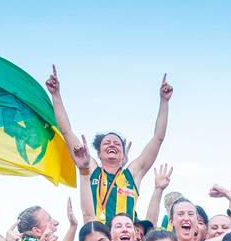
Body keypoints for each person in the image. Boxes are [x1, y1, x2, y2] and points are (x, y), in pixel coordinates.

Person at [49, 67, 172, 225]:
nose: (112, 145)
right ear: (99, 154)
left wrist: (164, 102)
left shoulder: (133, 174)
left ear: (123, 155)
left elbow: (158, 139)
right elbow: (66, 132)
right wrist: (56, 95)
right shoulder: (91, 169)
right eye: (107, 143)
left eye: (117, 144)